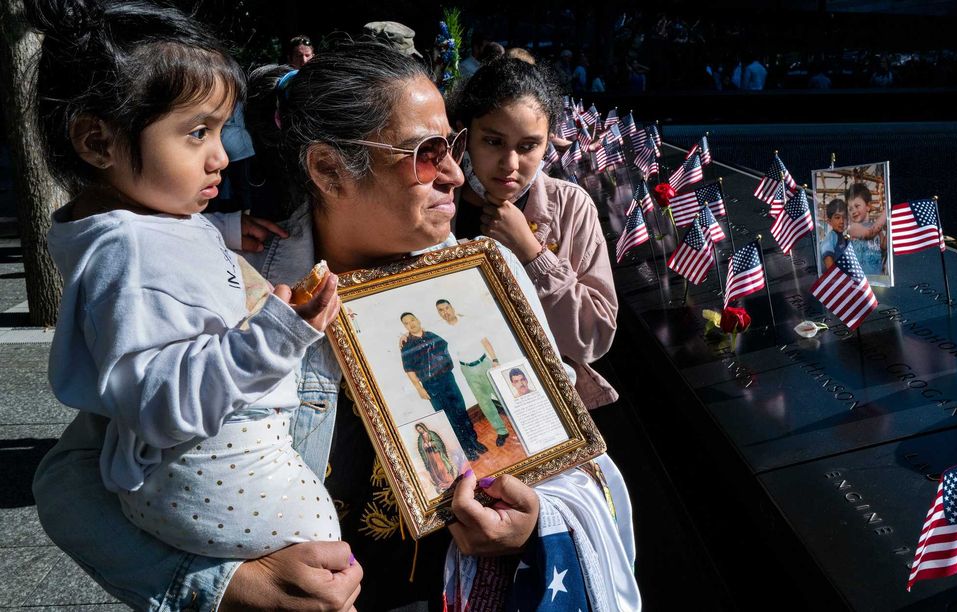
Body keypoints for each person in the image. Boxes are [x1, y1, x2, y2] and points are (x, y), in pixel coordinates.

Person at [34, 37, 638, 611]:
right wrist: (224, 587)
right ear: (328, 170)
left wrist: (535, 519)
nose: (456, 173)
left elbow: (573, 458)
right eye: (426, 154)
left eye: (453, 146)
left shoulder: (487, 278)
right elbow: (73, 477)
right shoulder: (238, 292)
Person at [28, 0, 344, 561]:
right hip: (213, 474)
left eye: (222, 131)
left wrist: (224, 227)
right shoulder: (127, 253)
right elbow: (157, 402)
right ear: (98, 143)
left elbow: (175, 250)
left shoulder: (151, 223)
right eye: (197, 133)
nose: (221, 157)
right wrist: (276, 337)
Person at [451, 57, 620, 410]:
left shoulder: (572, 207)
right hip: (459, 393)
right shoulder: (437, 203)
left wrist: (532, 253)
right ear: (464, 134)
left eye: (528, 146)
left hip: (541, 401)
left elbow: (594, 336)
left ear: (548, 144)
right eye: (494, 141)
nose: (510, 164)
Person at [400, 312, 487, 461]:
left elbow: (447, 346)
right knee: (449, 418)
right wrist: (419, 388)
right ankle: (466, 449)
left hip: (448, 378)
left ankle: (474, 441)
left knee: (461, 411)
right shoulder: (407, 345)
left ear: (418, 319)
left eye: (412, 320)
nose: (411, 324)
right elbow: (409, 370)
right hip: (431, 385)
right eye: (407, 323)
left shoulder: (432, 334)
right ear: (405, 327)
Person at [435, 298, 510, 446]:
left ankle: (521, 420)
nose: (445, 312)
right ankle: (502, 431)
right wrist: (404, 336)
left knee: (502, 395)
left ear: (452, 307)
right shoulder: (441, 331)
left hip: (484, 364)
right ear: (439, 313)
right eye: (441, 310)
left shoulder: (468, 321)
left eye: (446, 308)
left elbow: (485, 341)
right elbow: (422, 332)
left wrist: (494, 360)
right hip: (467, 370)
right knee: (485, 403)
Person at [845, 182, 887, 275]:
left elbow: (883, 246)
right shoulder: (853, 228)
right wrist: (887, 211)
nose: (854, 211)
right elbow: (869, 233)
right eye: (850, 208)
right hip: (860, 279)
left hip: (877, 277)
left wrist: (888, 230)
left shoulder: (876, 228)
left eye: (857, 206)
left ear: (868, 207)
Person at [416, 423, 458, 491]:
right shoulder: (420, 439)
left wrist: (431, 443)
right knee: (435, 468)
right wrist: (424, 446)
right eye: (418, 430)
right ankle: (442, 482)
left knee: (442, 466)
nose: (419, 431)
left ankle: (449, 480)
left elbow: (439, 442)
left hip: (437, 453)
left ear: (423, 427)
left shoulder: (432, 434)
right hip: (429, 455)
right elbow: (421, 449)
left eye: (420, 428)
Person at [820, 198, 848, 271]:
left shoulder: (843, 238)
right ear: (829, 221)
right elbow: (829, 262)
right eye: (837, 217)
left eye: (844, 217)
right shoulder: (831, 238)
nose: (842, 221)